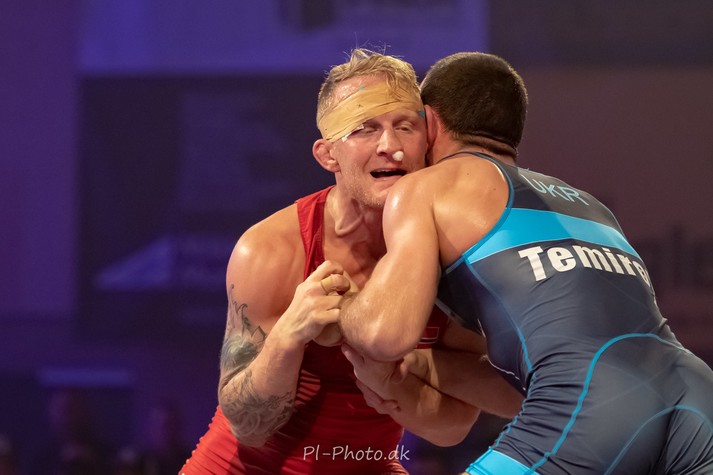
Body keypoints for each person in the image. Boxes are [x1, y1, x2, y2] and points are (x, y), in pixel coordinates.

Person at [336, 52, 713, 474]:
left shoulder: (430, 186)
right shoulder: (590, 206)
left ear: (431, 122)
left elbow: (385, 335)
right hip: (695, 399)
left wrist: (344, 306)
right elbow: (538, 386)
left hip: (593, 403)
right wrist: (428, 366)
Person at [180, 49, 521, 475]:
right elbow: (248, 426)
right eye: (365, 129)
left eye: (405, 126)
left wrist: (392, 380)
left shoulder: (454, 251)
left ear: (428, 143)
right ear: (328, 156)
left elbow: (452, 427)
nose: (391, 147)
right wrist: (287, 338)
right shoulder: (270, 249)